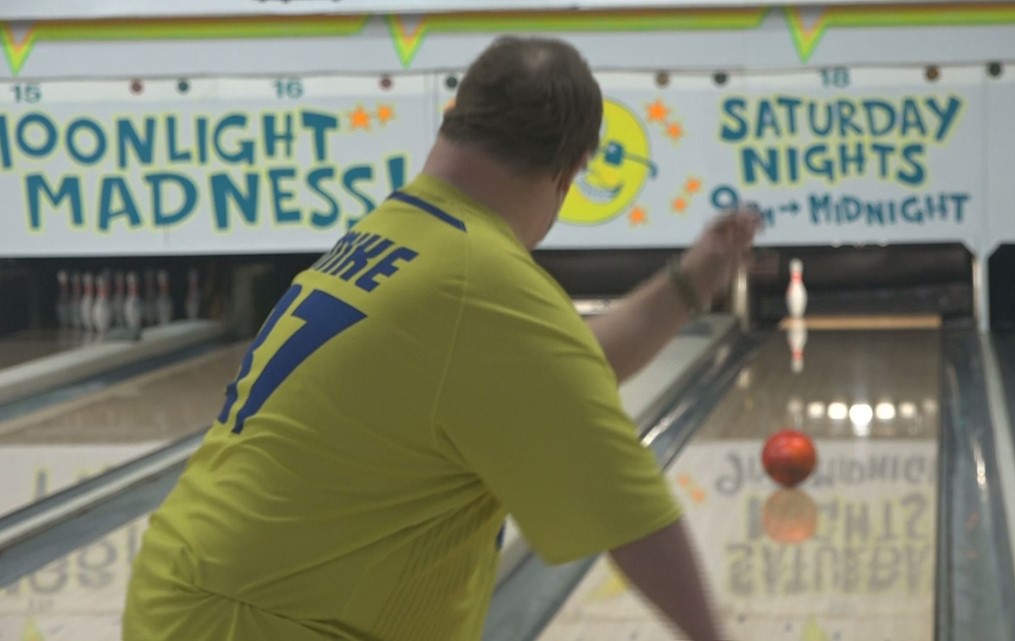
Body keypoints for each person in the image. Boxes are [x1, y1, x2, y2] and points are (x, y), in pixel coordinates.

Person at [123, 35, 758, 641]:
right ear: (570, 172)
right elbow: (634, 520)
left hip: (196, 598)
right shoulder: (482, 283)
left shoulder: (400, 231)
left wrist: (688, 282)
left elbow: (561, 373)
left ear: (452, 120)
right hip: (265, 626)